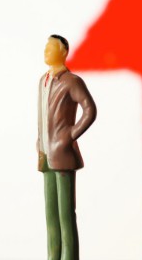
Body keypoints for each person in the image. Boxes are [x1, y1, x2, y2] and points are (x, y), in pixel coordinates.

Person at [37, 34, 97, 260]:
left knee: (65, 216)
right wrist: (40, 141)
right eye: (46, 46)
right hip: (45, 154)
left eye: (51, 47)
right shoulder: (43, 80)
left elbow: (89, 109)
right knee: (51, 216)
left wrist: (70, 135)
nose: (46, 50)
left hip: (62, 154)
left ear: (63, 52)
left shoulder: (71, 81)